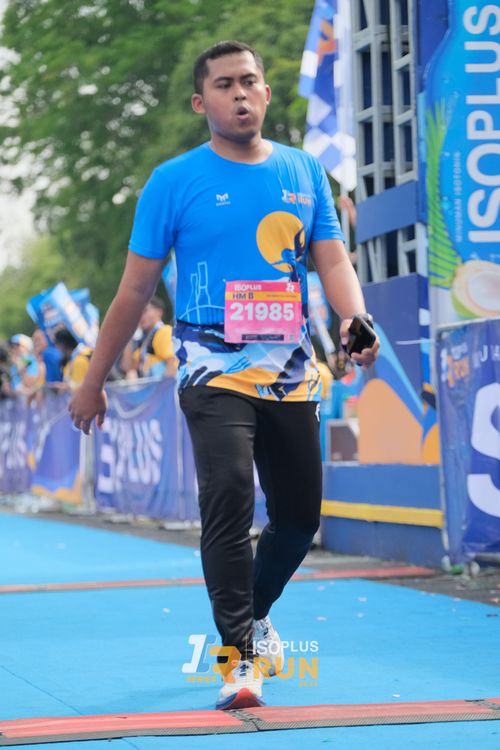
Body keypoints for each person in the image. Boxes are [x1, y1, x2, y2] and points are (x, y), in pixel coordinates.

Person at [69, 40, 379, 710]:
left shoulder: (303, 171)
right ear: (200, 101)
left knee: (298, 520)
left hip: (290, 372)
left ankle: (255, 614)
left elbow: (331, 260)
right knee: (229, 496)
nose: (239, 93)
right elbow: (134, 290)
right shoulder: (172, 182)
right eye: (224, 84)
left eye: (249, 81)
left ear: (266, 92)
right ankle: (238, 659)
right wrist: (93, 381)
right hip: (211, 371)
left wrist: (355, 319)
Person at [121, 296, 177, 379]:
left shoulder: (164, 331)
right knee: (131, 374)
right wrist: (128, 335)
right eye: (137, 313)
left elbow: (173, 364)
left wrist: (163, 387)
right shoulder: (145, 340)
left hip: (165, 385)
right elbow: (128, 367)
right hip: (155, 385)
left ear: (159, 312)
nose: (140, 316)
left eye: (145, 311)